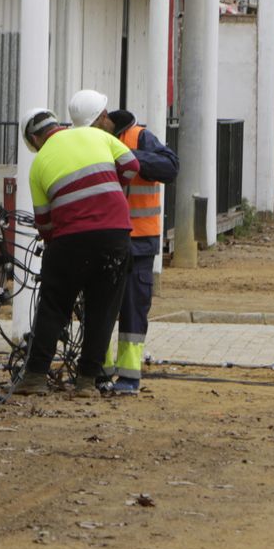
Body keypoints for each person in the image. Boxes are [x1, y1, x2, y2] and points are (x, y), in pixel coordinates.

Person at [15, 90, 139, 397]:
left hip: (70, 240)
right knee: (103, 309)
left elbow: (44, 223)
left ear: (34, 140)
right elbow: (132, 167)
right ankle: (86, 382)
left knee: (54, 306)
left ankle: (34, 377)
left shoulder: (39, 163)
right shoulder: (97, 137)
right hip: (115, 236)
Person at [95, 105, 179, 395]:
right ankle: (98, 371)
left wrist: (126, 156)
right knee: (99, 307)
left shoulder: (139, 137)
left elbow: (170, 167)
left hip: (139, 241)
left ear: (105, 118)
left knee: (132, 309)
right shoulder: (90, 139)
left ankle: (129, 376)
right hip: (106, 239)